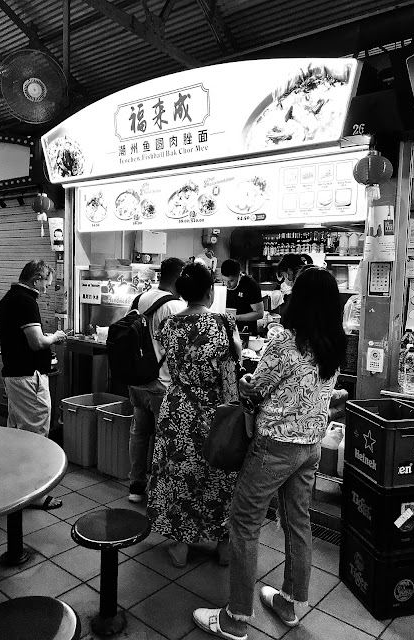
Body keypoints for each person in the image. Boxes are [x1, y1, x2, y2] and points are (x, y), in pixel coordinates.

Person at [193, 266, 347, 637]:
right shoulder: (335, 345)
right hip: (310, 447)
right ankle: (290, 603)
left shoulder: (284, 342)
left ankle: (235, 618)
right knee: (298, 521)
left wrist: (246, 381)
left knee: (244, 522)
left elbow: (253, 390)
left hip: (274, 447)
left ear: (300, 300)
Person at [147, 261, 242, 568]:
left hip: (178, 407)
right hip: (216, 410)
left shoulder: (170, 325)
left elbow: (169, 364)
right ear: (210, 291)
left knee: (179, 475)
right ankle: (225, 544)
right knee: (220, 475)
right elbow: (232, 371)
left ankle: (181, 544)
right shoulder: (224, 323)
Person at [0, 260, 67, 510]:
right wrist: (56, 337)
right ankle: (35, 494)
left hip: (13, 376)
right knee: (35, 434)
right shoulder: (26, 302)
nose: (47, 289)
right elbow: (36, 342)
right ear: (36, 279)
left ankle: (15, 486)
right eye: (46, 283)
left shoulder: (7, 299)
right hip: (28, 378)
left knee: (17, 433)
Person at [127, 257, 186, 503]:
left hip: (137, 378)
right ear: (180, 276)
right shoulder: (176, 307)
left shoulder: (141, 298)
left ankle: (135, 487)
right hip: (161, 383)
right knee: (165, 437)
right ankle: (160, 491)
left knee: (139, 432)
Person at [221, 259, 263, 335]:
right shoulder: (220, 286)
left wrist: (235, 317)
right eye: (224, 280)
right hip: (226, 330)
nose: (227, 284)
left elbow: (259, 313)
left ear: (238, 275)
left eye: (231, 281)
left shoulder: (250, 285)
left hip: (246, 330)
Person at [275, 253, 305, 322]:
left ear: (289, 270)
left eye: (284, 276)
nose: (285, 279)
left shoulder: (303, 283)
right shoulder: (304, 277)